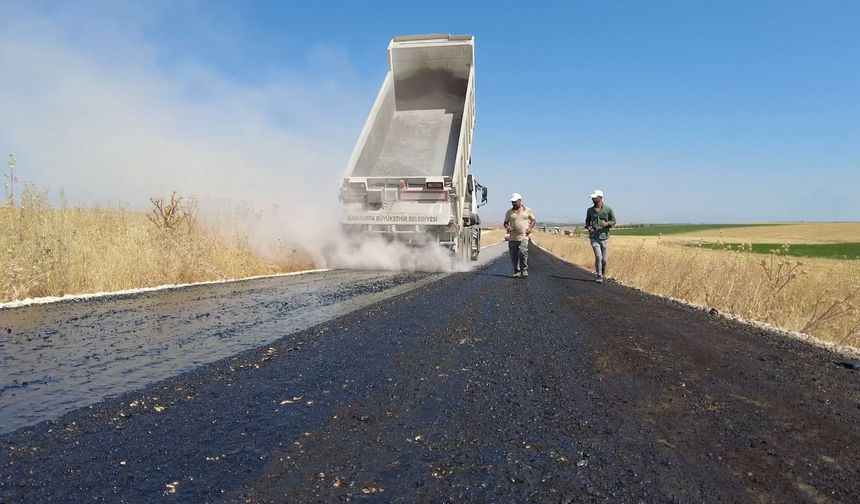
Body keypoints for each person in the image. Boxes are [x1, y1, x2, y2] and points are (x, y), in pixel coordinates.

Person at [585, 189, 616, 283]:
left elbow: (614, 221)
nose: (592, 199)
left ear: (600, 198)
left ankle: (602, 271)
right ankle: (599, 276)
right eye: (592, 198)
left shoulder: (608, 209)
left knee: (604, 260)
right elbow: (587, 221)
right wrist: (588, 227)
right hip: (594, 237)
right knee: (598, 256)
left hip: (604, 237)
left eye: (594, 197)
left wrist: (606, 224)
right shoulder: (589, 210)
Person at [504, 193, 536, 278]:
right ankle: (516, 271)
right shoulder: (509, 212)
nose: (513, 203)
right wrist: (508, 226)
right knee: (513, 255)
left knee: (523, 253)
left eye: (515, 202)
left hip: (524, 236)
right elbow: (505, 223)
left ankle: (524, 270)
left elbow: (533, 220)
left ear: (520, 201)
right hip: (512, 237)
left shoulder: (527, 210)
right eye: (512, 202)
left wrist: (530, 228)